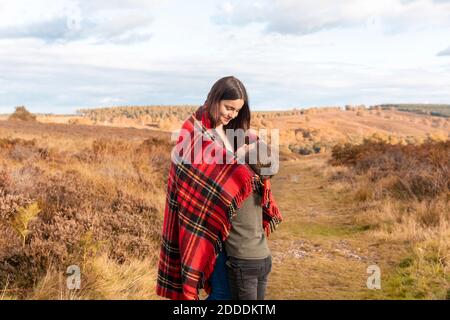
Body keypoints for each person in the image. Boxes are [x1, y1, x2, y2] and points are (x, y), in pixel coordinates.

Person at [156, 76, 282, 300]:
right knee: (223, 294)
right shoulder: (195, 133)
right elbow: (203, 177)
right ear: (215, 98)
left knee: (226, 293)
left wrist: (250, 152)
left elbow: (267, 162)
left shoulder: (231, 131)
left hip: (231, 231)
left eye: (237, 110)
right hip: (208, 225)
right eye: (228, 107)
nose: (232, 114)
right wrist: (241, 157)